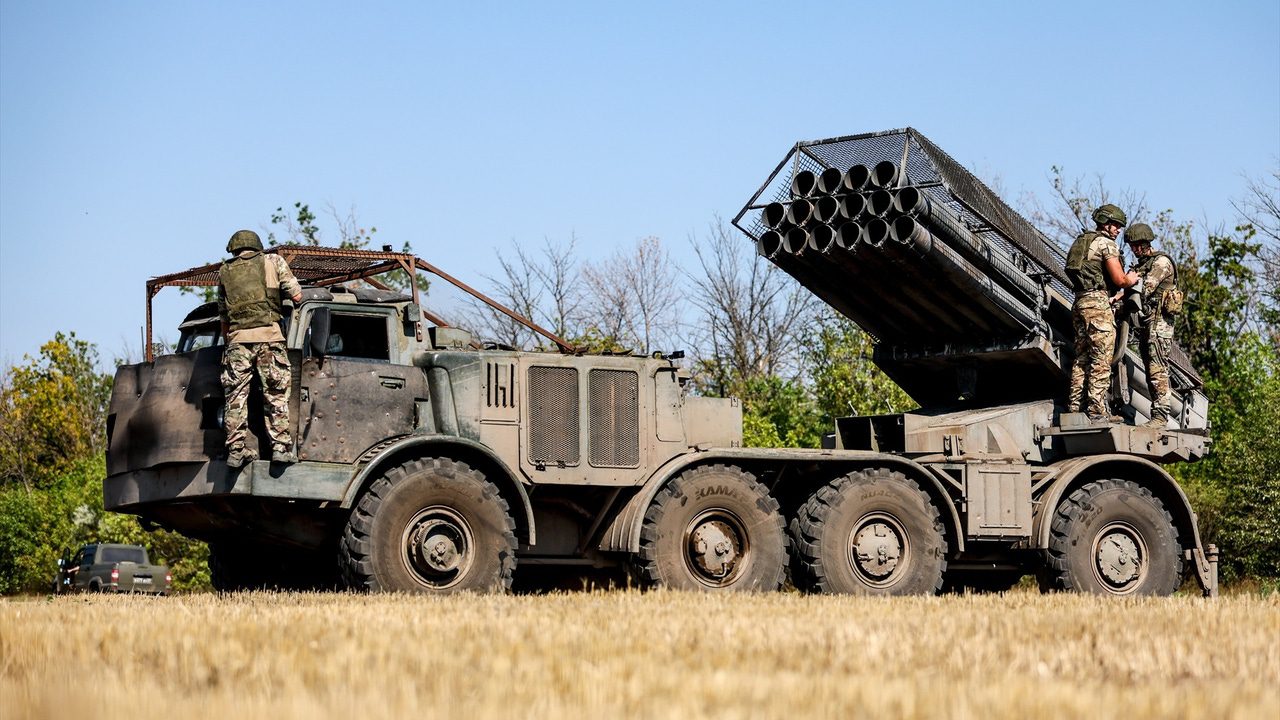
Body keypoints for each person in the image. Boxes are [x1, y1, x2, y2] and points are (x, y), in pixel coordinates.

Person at [218, 230, 303, 468]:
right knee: (275, 394)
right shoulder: (273, 261)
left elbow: (223, 317)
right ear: (257, 246)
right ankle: (280, 448)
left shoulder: (224, 271)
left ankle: (235, 451)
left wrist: (232, 342)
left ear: (234, 249)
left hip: (237, 342)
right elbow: (297, 295)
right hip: (269, 337)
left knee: (235, 398)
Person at [1064, 204, 1139, 423]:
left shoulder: (1082, 241)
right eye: (1115, 225)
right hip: (1098, 306)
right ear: (1105, 223)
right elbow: (1120, 280)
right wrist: (1132, 278)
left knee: (1082, 358)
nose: (1118, 230)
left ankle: (1075, 408)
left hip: (1080, 302)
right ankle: (1097, 413)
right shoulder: (1106, 244)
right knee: (1101, 359)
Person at [1124, 222, 1179, 428]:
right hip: (1147, 323)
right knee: (1150, 368)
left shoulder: (1161, 262)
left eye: (1137, 245)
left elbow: (1145, 289)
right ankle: (1157, 415)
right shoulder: (1143, 264)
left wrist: (1126, 285)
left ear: (1145, 243)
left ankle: (1160, 417)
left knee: (1157, 370)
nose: (1134, 249)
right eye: (1132, 246)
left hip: (1159, 324)